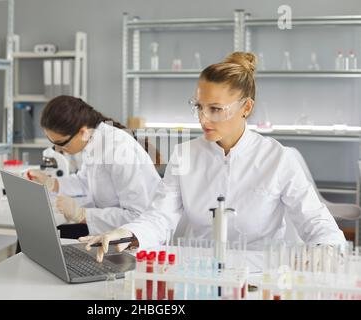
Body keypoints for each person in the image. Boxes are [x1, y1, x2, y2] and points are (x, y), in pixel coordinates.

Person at [80, 52, 346, 262]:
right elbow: (159, 217)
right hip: (200, 270)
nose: (203, 118)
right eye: (199, 106)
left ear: (247, 107)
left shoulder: (278, 159)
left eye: (216, 109)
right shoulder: (185, 155)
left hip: (258, 273)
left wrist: (326, 251)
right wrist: (128, 233)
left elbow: (316, 222)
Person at [28, 95, 161, 235]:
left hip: (139, 235)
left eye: (61, 143)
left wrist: (82, 214)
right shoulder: (93, 141)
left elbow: (138, 216)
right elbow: (85, 182)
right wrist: (51, 183)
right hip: (110, 228)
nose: (58, 149)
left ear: (82, 132)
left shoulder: (119, 151)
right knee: (38, 231)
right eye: (52, 142)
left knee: (46, 235)